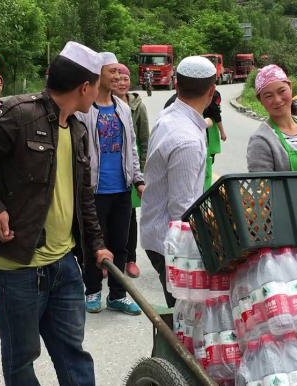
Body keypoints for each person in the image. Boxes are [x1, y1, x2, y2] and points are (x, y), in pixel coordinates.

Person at [0, 41, 111, 385]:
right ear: (85, 87)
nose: (98, 92)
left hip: (65, 265)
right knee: (21, 358)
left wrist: (96, 243)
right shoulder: (20, 115)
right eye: (97, 85)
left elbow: (83, 195)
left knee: (73, 352)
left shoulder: (78, 130)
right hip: (18, 268)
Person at [140, 56, 217, 308]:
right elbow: (182, 209)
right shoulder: (187, 139)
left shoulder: (169, 116)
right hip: (171, 245)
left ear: (176, 84)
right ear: (212, 90)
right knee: (183, 321)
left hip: (157, 234)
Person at [76, 53, 144, 315]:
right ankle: (92, 291)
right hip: (94, 189)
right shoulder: (86, 110)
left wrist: (137, 178)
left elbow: (133, 148)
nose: (117, 76)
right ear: (97, 74)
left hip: (121, 188)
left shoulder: (123, 108)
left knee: (121, 244)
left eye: (119, 71)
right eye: (111, 71)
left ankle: (118, 295)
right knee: (94, 244)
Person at [114, 63, 150, 279]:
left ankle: (130, 259)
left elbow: (144, 142)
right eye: (117, 79)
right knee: (106, 216)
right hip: (109, 170)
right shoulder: (99, 104)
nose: (121, 83)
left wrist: (142, 176)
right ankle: (108, 259)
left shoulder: (137, 106)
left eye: (125, 79)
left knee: (128, 216)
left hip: (131, 168)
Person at [165, 90, 227, 190]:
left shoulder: (171, 104)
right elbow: (216, 114)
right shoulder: (205, 99)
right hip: (198, 139)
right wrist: (217, 129)